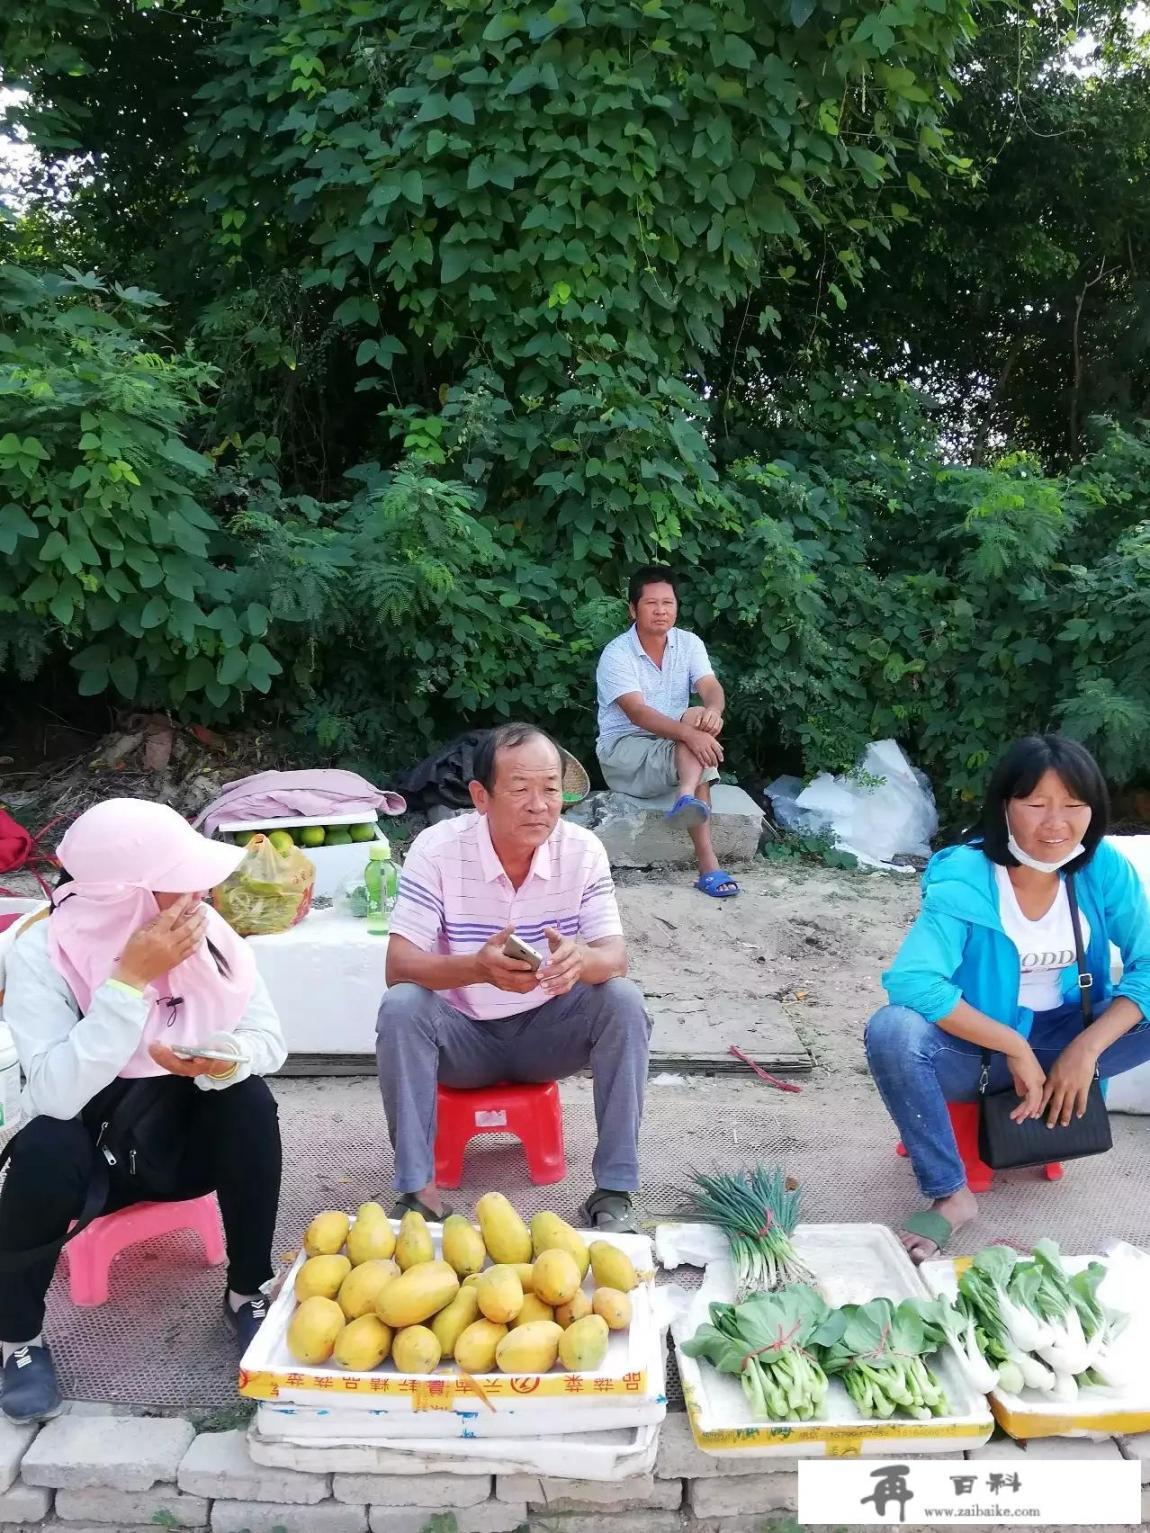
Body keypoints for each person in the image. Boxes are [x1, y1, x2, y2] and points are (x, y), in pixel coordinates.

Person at [0, 799, 286, 1423]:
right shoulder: (42, 952)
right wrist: (129, 984)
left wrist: (223, 1057)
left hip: (181, 1144)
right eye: (180, 878)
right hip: (92, 1161)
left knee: (249, 1100)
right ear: (123, 897)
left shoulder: (210, 933)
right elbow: (51, 1093)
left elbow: (270, 1040)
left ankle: (247, 1291)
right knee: (42, 1144)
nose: (203, 890)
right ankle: (19, 1341)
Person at [866, 734, 1150, 1262]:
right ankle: (950, 1193)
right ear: (1005, 806)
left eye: (1073, 805)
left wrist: (1086, 1050)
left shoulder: (1101, 866)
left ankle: (1066, 1071)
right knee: (893, 1031)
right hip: (983, 1054)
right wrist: (1013, 1047)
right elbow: (913, 981)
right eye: (1036, 804)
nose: (1056, 824)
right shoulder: (967, 874)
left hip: (1067, 1042)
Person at [375, 723, 651, 1234]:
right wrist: (476, 969)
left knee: (623, 1001)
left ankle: (614, 1190)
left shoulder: (582, 851)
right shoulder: (437, 849)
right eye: (520, 790)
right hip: (462, 1038)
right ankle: (417, 1193)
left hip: (549, 1034)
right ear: (481, 797)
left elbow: (614, 956)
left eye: (550, 789)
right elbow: (399, 966)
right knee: (403, 1008)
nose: (539, 805)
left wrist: (579, 960)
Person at [595, 565, 738, 897]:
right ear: (633, 609)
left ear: (676, 607)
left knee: (699, 715)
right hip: (624, 750)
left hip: (670, 741)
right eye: (651, 604)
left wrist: (713, 712)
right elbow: (639, 713)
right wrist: (690, 734)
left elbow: (710, 685)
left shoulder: (688, 644)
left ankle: (685, 796)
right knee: (693, 736)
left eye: (668, 603)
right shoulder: (617, 654)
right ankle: (709, 867)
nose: (661, 611)